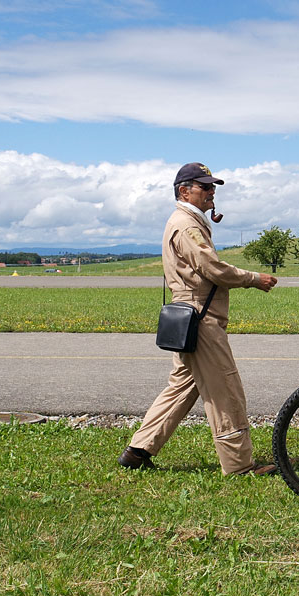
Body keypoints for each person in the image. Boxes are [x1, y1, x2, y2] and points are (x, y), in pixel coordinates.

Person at [118, 162, 279, 475]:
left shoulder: (187, 221)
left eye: (212, 186)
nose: (211, 191)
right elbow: (212, 268)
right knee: (225, 389)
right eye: (204, 186)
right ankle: (239, 466)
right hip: (201, 321)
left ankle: (137, 452)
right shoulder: (186, 225)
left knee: (181, 387)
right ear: (184, 190)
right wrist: (253, 278)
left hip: (191, 318)